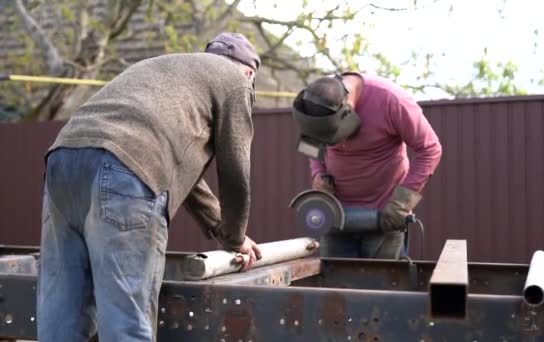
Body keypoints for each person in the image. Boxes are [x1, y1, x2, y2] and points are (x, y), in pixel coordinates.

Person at [37, 32, 262, 342]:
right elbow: (236, 173)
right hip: (125, 170)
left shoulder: (168, 68)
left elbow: (180, 170)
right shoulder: (237, 81)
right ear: (249, 71)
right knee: (126, 322)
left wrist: (220, 229)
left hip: (63, 160)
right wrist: (236, 238)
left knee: (62, 315)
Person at [291, 72, 442, 259]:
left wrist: (403, 201)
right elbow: (310, 145)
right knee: (335, 287)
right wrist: (318, 174)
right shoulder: (317, 100)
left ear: (348, 109)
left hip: (384, 215)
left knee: (381, 286)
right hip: (334, 215)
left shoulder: (391, 99)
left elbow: (429, 149)